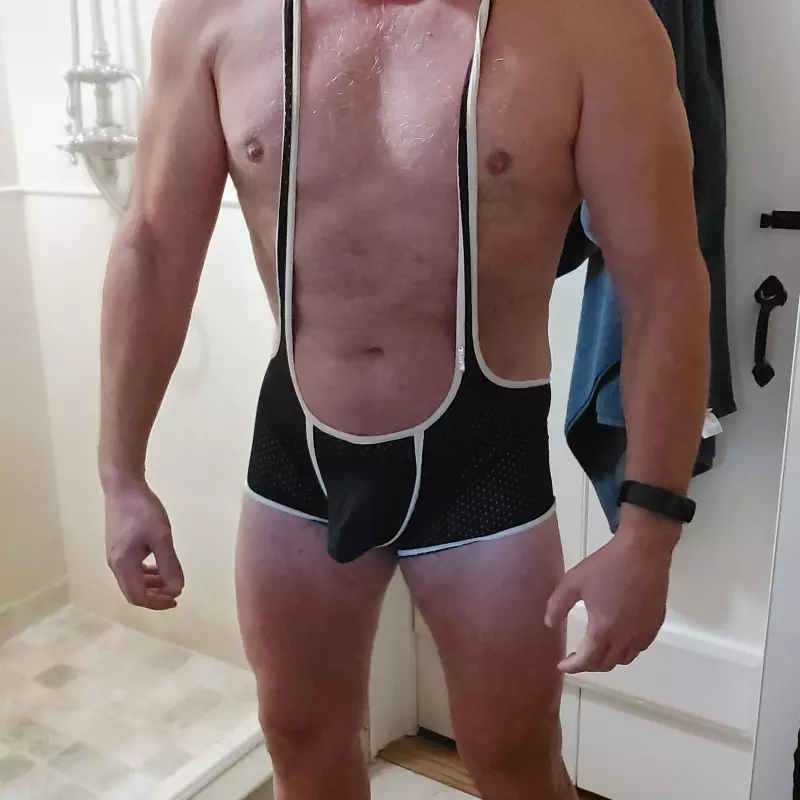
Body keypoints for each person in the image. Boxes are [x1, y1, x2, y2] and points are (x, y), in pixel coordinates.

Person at [99, 0, 711, 797]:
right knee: (298, 735)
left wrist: (649, 534)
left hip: (483, 462)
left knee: (514, 757)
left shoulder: (592, 22)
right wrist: (120, 474)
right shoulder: (212, 16)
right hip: (298, 454)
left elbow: (663, 281)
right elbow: (152, 241)